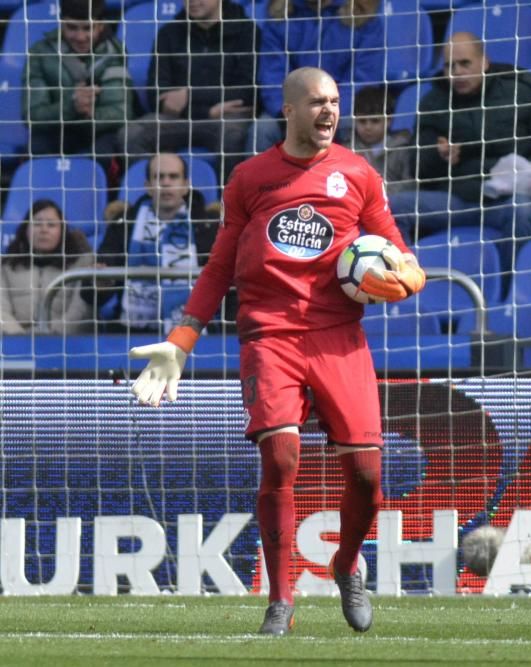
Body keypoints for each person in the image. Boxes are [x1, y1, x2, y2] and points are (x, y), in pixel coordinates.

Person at [127, 67, 426, 636]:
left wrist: (407, 277)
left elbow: (399, 253)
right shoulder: (249, 178)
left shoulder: (358, 174)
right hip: (270, 335)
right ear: (287, 111)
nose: (329, 112)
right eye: (317, 102)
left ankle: (345, 564)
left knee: (366, 472)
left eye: (335, 102)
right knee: (281, 459)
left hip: (339, 335)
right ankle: (281, 599)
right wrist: (182, 338)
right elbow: (219, 265)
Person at [390, 32, 531, 264]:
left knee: (522, 210)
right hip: (454, 199)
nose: (457, 72)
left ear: (484, 62)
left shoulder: (520, 92)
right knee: (393, 208)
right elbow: (418, 166)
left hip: (506, 198)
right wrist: (438, 154)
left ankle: (508, 291)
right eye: (449, 66)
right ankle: (406, 286)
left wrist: (530, 173)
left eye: (465, 63)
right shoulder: (433, 102)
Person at [119, 0, 258, 179]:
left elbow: (247, 91)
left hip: (226, 118)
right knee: (131, 134)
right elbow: (157, 96)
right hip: (181, 118)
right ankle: (146, 200)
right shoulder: (168, 33)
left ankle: (227, 203)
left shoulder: (247, 32)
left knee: (233, 136)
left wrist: (188, 95)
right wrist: (207, 111)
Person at [96, 153, 219, 333]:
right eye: (159, 177)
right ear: (148, 186)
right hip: (131, 333)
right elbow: (91, 295)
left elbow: (229, 291)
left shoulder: (209, 227)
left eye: (173, 176)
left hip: (196, 334)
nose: (166, 183)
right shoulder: (124, 225)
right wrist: (102, 283)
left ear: (186, 185)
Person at [251, 0, 386, 152]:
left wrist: (329, 110)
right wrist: (293, 113)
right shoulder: (279, 17)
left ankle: (349, 176)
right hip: (293, 111)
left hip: (342, 110)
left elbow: (362, 80)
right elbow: (273, 77)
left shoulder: (365, 19)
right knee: (262, 129)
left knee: (352, 126)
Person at [23, 0, 133, 165]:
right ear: (61, 23)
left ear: (101, 26)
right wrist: (72, 105)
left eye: (88, 28)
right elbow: (32, 115)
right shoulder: (39, 53)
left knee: (104, 153)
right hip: (58, 129)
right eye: (72, 28)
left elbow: (121, 113)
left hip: (102, 131)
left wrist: (90, 114)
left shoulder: (115, 52)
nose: (80, 37)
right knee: (36, 148)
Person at [0, 199, 96, 334]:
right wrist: (20, 339)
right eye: (37, 223)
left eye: (51, 225)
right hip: (15, 342)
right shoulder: (5, 265)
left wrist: (49, 336)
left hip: (65, 342)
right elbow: (1, 312)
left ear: (62, 230)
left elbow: (80, 312)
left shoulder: (83, 263)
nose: (44, 229)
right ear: (25, 229)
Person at [340, 85, 415, 195]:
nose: (368, 127)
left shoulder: (402, 147)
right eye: (362, 121)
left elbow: (410, 183)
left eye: (375, 121)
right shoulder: (347, 149)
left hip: (393, 204)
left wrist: (379, 192)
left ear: (388, 121)